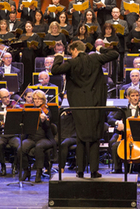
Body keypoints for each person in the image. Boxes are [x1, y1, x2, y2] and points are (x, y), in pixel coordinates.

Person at [50, 40, 120, 178]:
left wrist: (59, 56)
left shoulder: (72, 63)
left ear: (75, 50)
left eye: (71, 52)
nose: (71, 55)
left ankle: (80, 171)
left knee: (81, 137)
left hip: (78, 105)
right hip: (96, 103)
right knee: (94, 136)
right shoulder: (95, 58)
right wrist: (101, 48)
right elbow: (115, 54)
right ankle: (94, 171)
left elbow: (55, 70)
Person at [108, 88, 140, 184]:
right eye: (132, 96)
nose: (135, 98)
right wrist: (118, 122)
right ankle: (118, 172)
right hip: (126, 137)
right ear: (127, 97)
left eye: (137, 96)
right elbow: (110, 118)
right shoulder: (123, 108)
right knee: (115, 145)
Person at [19, 90, 55, 183]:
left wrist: (44, 121)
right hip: (32, 138)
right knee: (21, 147)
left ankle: (39, 172)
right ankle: (26, 171)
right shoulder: (31, 111)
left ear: (43, 100)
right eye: (35, 99)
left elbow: (48, 127)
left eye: (39, 99)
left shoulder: (47, 111)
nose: (36, 101)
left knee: (39, 147)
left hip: (44, 138)